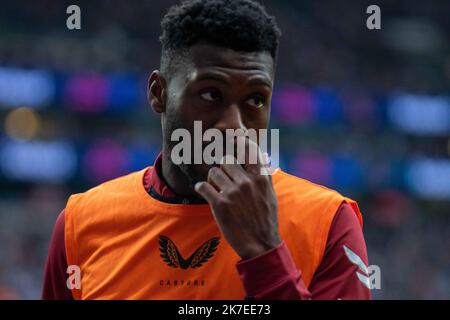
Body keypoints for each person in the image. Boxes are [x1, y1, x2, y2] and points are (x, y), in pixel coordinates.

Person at [42, 0, 371, 300]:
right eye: (211, 94)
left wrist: (265, 254)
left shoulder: (328, 223)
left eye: (256, 99)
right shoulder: (80, 224)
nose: (234, 126)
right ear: (159, 93)